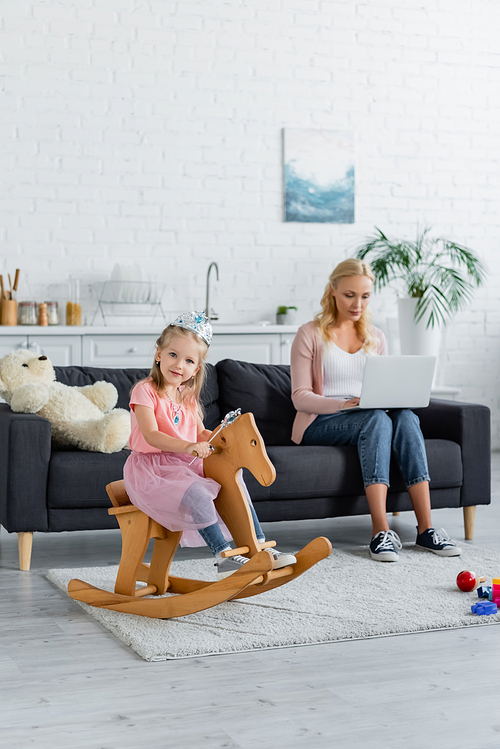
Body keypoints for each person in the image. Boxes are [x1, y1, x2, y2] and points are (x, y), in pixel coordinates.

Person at [290, 259, 461, 562]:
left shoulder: (376, 337)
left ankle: (426, 529)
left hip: (370, 415)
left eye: (365, 296)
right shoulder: (310, 334)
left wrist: (392, 398)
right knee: (375, 418)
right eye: (349, 295)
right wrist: (343, 404)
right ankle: (380, 532)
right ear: (333, 291)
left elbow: (385, 386)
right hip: (323, 420)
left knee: (406, 417)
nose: (358, 304)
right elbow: (300, 397)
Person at [123, 310, 296, 579]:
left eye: (188, 360)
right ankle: (222, 555)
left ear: (196, 369)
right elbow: (151, 435)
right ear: (159, 353)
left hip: (185, 464)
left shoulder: (187, 397)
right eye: (173, 355)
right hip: (153, 470)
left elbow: (199, 431)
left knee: (233, 483)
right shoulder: (145, 390)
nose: (179, 364)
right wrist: (187, 447)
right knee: (198, 494)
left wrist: (216, 439)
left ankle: (258, 545)